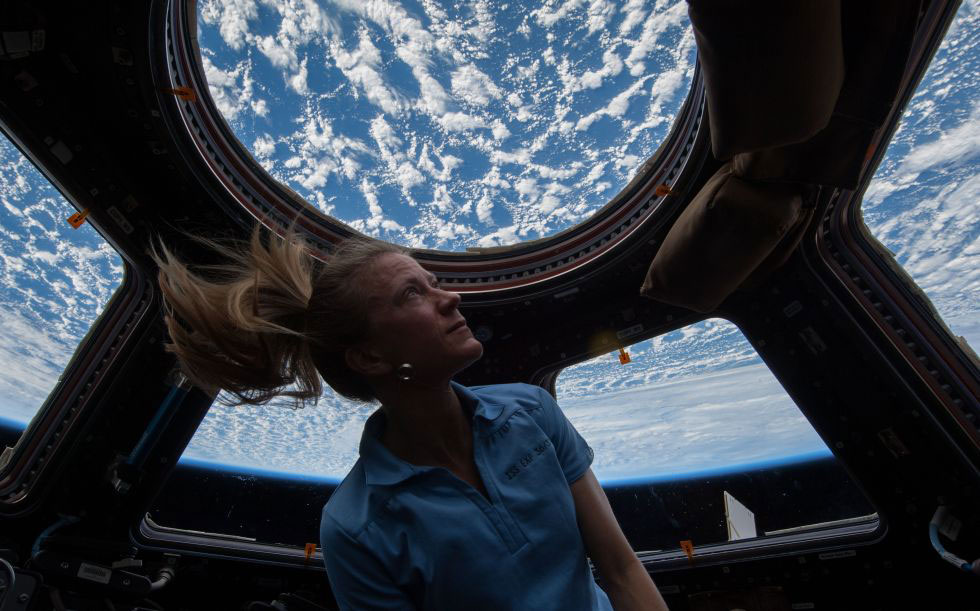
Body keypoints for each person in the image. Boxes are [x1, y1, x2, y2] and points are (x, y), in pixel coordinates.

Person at [153, 226, 669, 610]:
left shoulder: (532, 410)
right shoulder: (357, 527)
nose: (452, 298)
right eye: (413, 293)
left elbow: (620, 569)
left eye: (433, 282)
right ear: (370, 358)